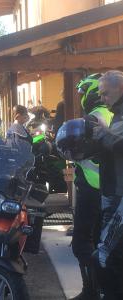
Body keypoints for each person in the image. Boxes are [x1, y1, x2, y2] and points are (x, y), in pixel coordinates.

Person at [69, 74, 113, 300]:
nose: (81, 98)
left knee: (81, 243)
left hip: (91, 188)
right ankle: (102, 290)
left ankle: (90, 292)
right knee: (100, 242)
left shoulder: (93, 117)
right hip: (109, 189)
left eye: (83, 93)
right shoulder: (112, 113)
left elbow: (77, 148)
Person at [88, 70, 123, 300]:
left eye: (105, 93)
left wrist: (100, 134)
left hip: (120, 198)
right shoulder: (117, 114)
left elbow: (119, 144)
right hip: (113, 194)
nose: (101, 98)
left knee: (103, 258)